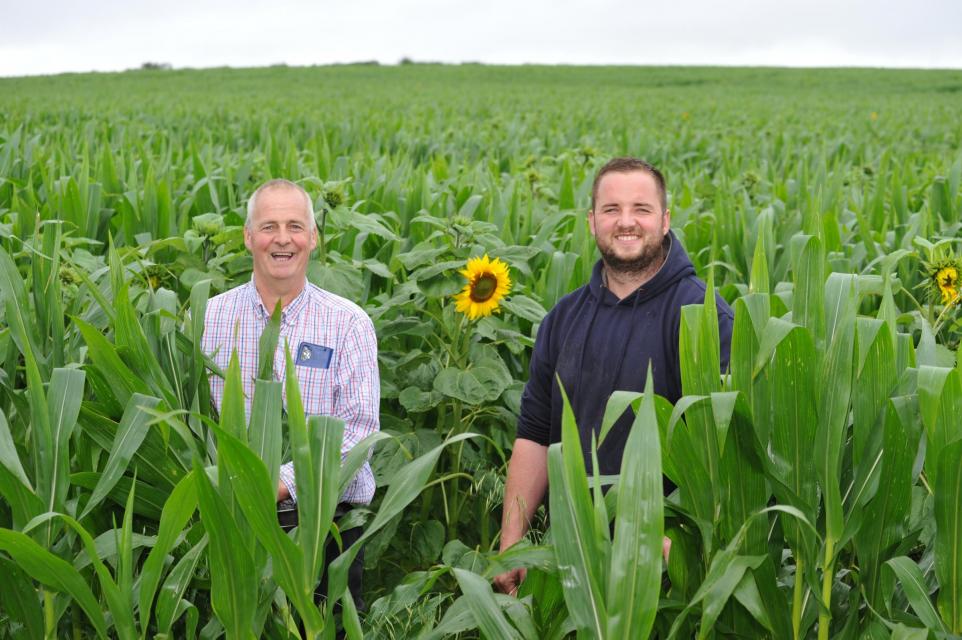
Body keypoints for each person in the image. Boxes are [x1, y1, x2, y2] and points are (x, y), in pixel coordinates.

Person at [493, 157, 734, 595]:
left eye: (641, 209)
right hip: (572, 561)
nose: (626, 222)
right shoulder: (562, 319)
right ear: (591, 222)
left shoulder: (704, 318)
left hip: (669, 575)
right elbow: (533, 435)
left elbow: (728, 452)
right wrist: (512, 542)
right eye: (611, 210)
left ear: (665, 220)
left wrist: (677, 548)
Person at [201, 178, 379, 606]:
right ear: (247, 237)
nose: (283, 239)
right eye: (269, 227)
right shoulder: (210, 317)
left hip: (324, 528)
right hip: (231, 525)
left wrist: (278, 484)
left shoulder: (348, 324)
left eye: (296, 226)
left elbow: (359, 436)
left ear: (313, 238)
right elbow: (195, 415)